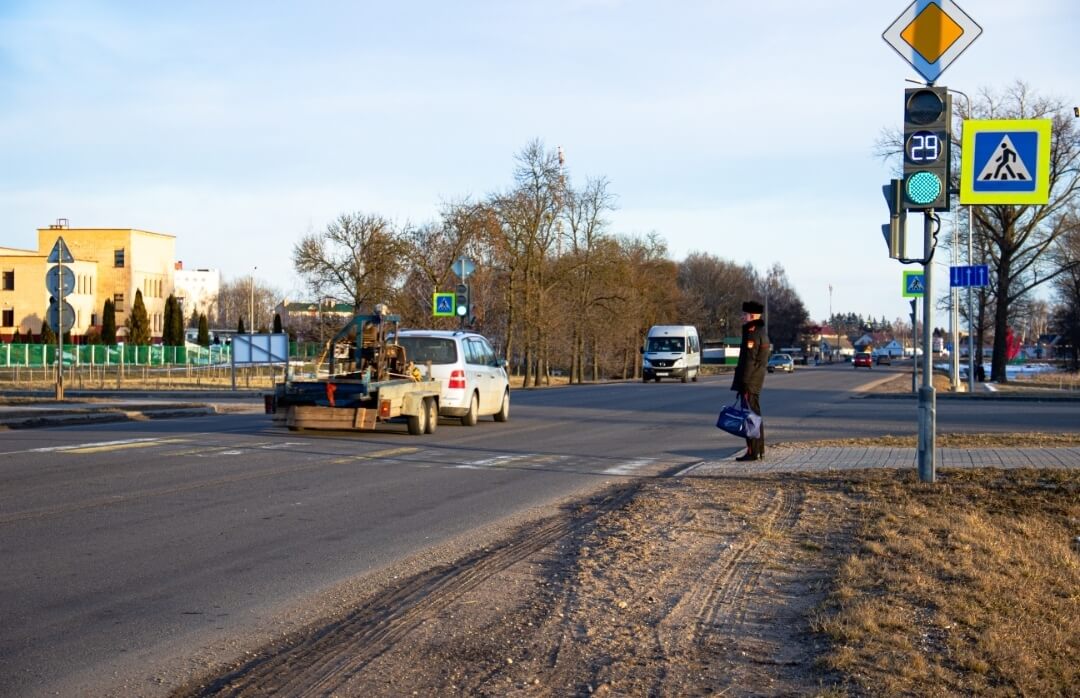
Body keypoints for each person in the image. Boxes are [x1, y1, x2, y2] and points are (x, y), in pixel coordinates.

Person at [731, 300, 770, 461]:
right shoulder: (761, 331)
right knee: (755, 415)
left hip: (750, 381)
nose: (743, 317)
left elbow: (749, 360)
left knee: (749, 417)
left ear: (753, 315)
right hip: (756, 380)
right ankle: (758, 450)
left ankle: (752, 451)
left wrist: (743, 383)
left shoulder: (752, 332)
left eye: (745, 314)